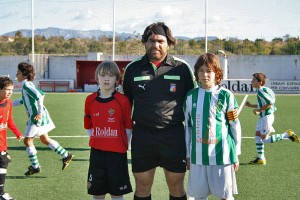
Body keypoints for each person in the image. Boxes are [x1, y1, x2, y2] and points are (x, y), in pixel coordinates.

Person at [122, 22, 197, 200]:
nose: (155, 45)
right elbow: (126, 105)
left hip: (173, 136)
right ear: (145, 43)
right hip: (143, 136)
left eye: (160, 41)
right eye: (151, 40)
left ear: (168, 43)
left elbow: (193, 103)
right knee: (142, 186)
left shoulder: (181, 68)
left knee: (176, 185)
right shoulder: (133, 69)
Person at [184, 53, 241, 200]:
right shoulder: (191, 96)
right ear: (196, 73)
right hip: (198, 156)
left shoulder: (226, 96)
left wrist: (236, 153)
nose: (205, 75)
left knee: (225, 196)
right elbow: (188, 127)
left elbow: (234, 125)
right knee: (198, 196)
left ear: (216, 72)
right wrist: (188, 155)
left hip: (222, 156)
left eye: (209, 70)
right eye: (201, 71)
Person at [13, 62, 74, 175]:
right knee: (44, 139)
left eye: (18, 73)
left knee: (28, 141)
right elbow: (23, 100)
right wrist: (8, 104)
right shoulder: (27, 85)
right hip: (39, 116)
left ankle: (36, 167)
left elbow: (40, 95)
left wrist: (39, 113)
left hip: (36, 117)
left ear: (25, 75)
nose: (16, 75)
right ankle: (66, 155)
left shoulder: (27, 85)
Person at [84, 61, 133, 200]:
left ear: (116, 79)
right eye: (103, 75)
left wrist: (126, 145)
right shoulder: (90, 100)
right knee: (97, 192)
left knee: (117, 193)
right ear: (97, 77)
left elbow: (128, 126)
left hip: (117, 154)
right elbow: (88, 124)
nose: (106, 79)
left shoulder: (123, 100)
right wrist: (95, 138)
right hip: (97, 154)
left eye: (111, 76)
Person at [245, 73, 299, 165]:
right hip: (263, 117)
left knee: (264, 139)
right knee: (258, 136)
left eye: (253, 80)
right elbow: (264, 103)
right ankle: (261, 158)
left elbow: (270, 102)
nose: (251, 82)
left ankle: (287, 134)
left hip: (266, 117)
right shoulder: (266, 89)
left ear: (260, 82)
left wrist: (259, 110)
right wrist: (251, 106)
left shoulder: (261, 91)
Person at [0, 77, 23, 200]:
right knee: (3, 163)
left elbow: (9, 120)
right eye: (7, 89)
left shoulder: (8, 103)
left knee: (3, 163)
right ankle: (1, 193)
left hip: (2, 142)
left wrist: (18, 133)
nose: (9, 92)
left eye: (11, 90)